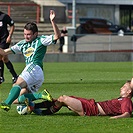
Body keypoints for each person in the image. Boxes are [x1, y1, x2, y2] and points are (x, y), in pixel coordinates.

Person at [0, 10, 61, 112]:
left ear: (35, 34)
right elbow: (4, 52)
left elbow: (57, 36)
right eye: (24, 34)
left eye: (28, 34)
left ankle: (6, 103)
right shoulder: (22, 44)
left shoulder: (41, 40)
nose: (26, 36)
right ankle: (40, 97)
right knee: (17, 98)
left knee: (17, 84)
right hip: (36, 74)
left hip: (34, 67)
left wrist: (53, 21)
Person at [26, 80, 133, 119]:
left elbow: (127, 114)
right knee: (60, 100)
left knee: (63, 98)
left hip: (92, 109)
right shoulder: (122, 99)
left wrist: (115, 118)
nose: (121, 88)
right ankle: (35, 107)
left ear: (129, 92)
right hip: (91, 105)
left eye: (124, 87)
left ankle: (39, 110)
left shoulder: (127, 101)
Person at [0, 11, 18, 84]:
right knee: (5, 59)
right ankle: (15, 75)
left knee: (1, 56)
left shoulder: (4, 16)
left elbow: (12, 25)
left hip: (4, 39)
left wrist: (9, 36)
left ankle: (1, 77)